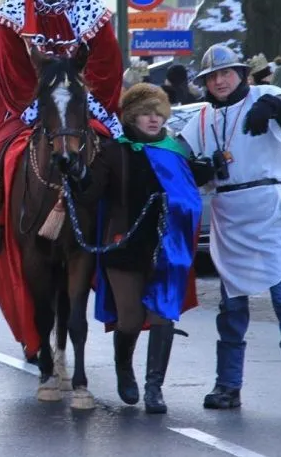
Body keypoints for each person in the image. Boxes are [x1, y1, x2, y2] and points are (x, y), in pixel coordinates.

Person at [0, 0, 124, 265]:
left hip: (81, 101)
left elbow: (107, 64)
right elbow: (13, 70)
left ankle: (125, 222)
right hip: (33, 104)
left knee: (123, 149)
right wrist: (43, 103)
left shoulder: (92, 11)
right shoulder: (12, 14)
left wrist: (83, 100)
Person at [179, 44, 281, 416]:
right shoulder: (202, 120)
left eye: (226, 74)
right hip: (230, 215)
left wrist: (274, 107)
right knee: (232, 308)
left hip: (271, 207)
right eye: (212, 77)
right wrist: (198, 170)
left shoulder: (265, 94)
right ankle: (227, 386)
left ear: (240, 74)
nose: (220, 81)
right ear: (205, 83)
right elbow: (179, 159)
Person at [75, 83, 202, 414]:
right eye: (146, 113)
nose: (154, 120)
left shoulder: (175, 151)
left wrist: (207, 170)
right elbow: (90, 195)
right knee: (129, 318)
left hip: (166, 246)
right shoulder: (114, 151)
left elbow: (190, 191)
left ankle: (154, 388)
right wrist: (76, 175)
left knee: (163, 314)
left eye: (158, 114)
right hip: (124, 244)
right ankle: (124, 369)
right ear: (131, 117)